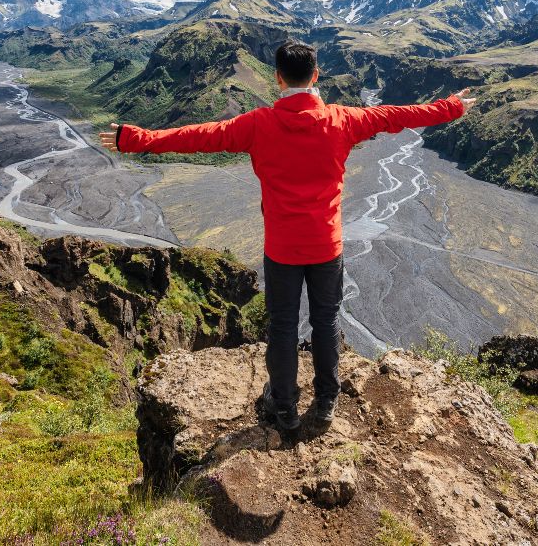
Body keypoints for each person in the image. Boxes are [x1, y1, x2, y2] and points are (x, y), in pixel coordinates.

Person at [98, 41, 476, 431]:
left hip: (282, 249)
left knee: (282, 326)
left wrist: (136, 139)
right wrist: (451, 106)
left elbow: (198, 135)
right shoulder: (342, 120)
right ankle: (327, 401)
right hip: (326, 245)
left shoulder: (258, 124)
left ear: (277, 78)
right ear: (316, 75)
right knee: (326, 322)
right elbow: (395, 116)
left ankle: (284, 408)